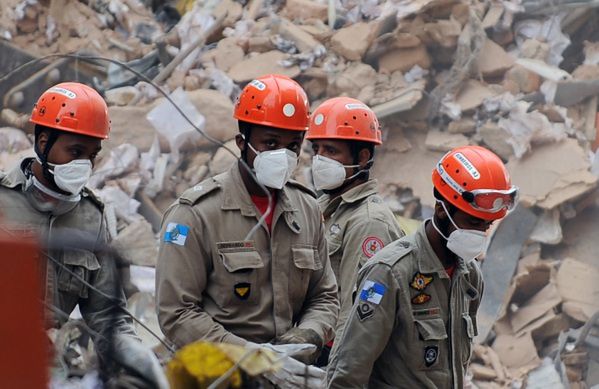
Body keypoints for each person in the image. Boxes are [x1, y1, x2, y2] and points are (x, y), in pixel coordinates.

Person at [156, 74, 339, 360]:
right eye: (270, 143)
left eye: (293, 146)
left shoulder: (307, 209)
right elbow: (176, 312)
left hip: (290, 371)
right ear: (242, 142)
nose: (283, 154)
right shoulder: (196, 214)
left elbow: (324, 295)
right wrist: (247, 355)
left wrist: (308, 334)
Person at [0, 82, 165, 387]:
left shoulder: (93, 216)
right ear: (43, 142)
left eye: (92, 156)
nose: (84, 166)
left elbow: (105, 315)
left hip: (52, 372)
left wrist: (136, 358)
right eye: (75, 152)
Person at [327, 145, 519, 388]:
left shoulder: (470, 277)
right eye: (473, 221)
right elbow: (348, 371)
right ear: (441, 210)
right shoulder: (390, 272)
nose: (481, 232)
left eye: (487, 225)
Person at [305, 97, 404, 363]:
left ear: (362, 158)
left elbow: (356, 316)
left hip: (331, 355)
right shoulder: (324, 205)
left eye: (331, 151)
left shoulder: (369, 222)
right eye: (316, 149)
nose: (319, 160)